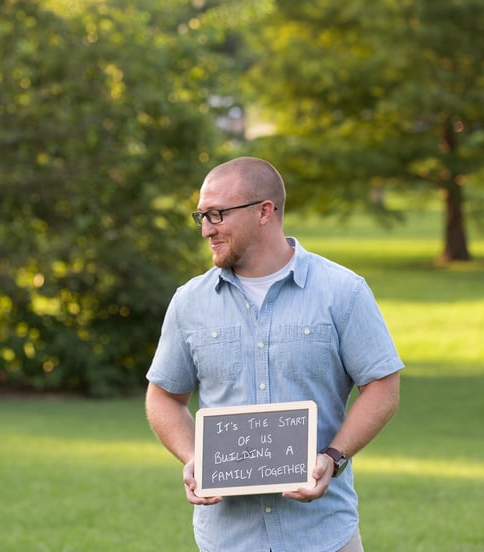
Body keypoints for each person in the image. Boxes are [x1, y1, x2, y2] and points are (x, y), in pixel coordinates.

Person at [145, 157, 404, 552]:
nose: (207, 230)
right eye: (202, 216)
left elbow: (383, 385)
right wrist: (195, 457)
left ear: (265, 211)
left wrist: (333, 457)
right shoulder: (189, 303)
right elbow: (163, 395)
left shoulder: (343, 291)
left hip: (323, 535)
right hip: (227, 539)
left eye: (217, 214)